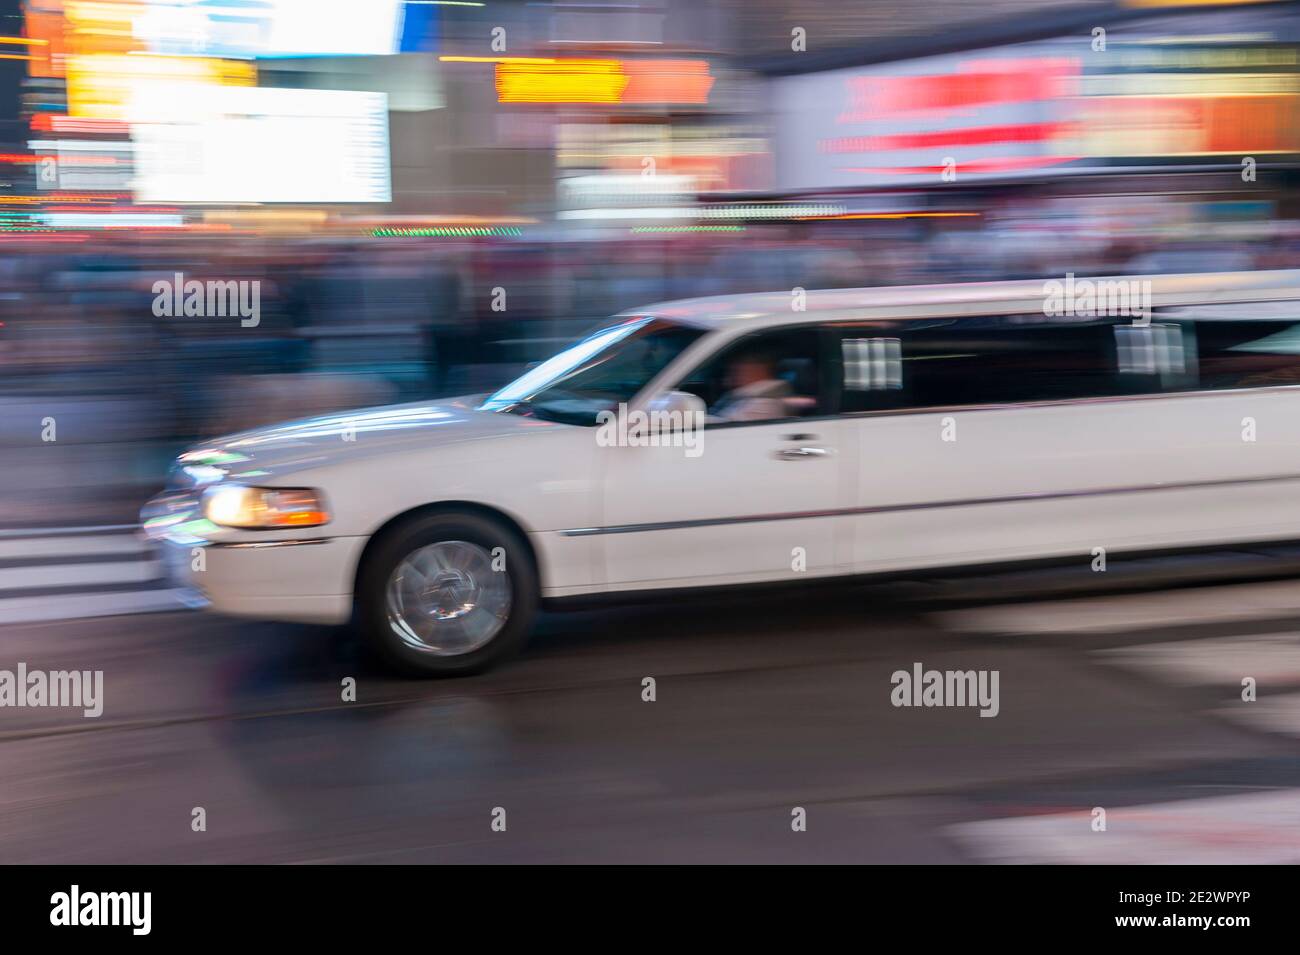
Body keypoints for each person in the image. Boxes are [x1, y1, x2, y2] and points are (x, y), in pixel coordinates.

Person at [711, 350, 792, 422]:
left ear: (759, 371)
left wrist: (699, 416)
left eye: (740, 370)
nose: (733, 375)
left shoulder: (765, 403)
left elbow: (724, 425)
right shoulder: (744, 395)